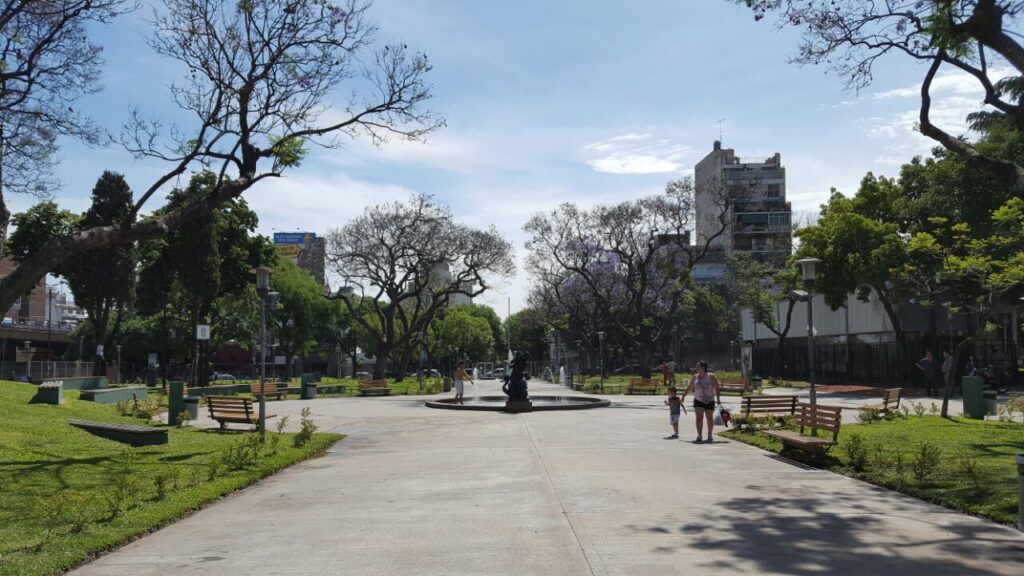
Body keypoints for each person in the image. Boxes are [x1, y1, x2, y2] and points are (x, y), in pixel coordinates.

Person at [680, 361, 722, 443]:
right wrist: (683, 397)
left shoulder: (711, 376)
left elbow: (717, 388)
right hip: (698, 400)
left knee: (709, 418)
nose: (696, 368)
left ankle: (709, 434)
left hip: (710, 400)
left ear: (703, 368)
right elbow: (689, 387)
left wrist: (718, 399)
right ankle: (699, 435)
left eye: (698, 366)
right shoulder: (695, 377)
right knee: (699, 418)